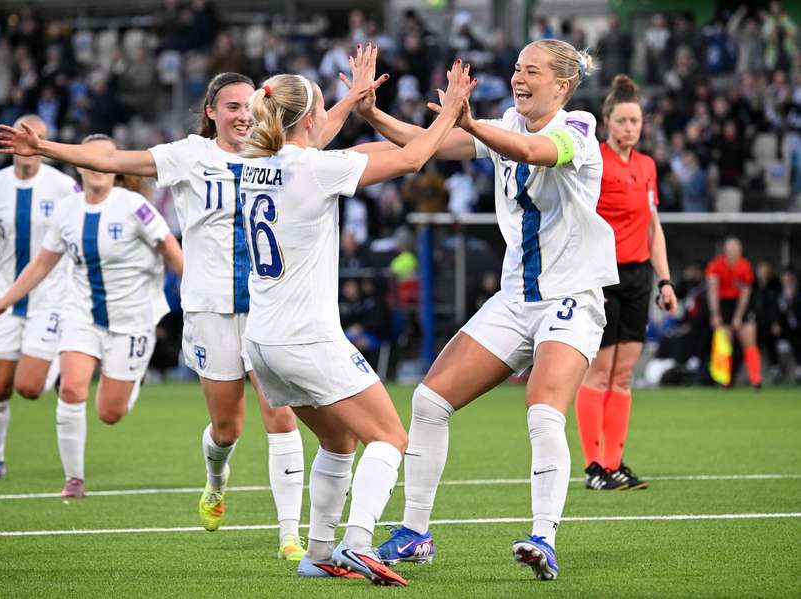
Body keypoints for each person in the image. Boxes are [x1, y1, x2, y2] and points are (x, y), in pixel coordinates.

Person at [0, 69, 359, 558]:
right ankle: (215, 479)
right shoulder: (188, 156)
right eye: (231, 106)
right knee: (227, 429)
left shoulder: (272, 155)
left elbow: (314, 131)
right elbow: (116, 159)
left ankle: (289, 534)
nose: (242, 115)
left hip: (269, 311)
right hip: (209, 311)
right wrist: (48, 149)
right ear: (210, 112)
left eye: (250, 106)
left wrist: (352, 97)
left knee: (281, 418)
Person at [355, 38, 615, 582]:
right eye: (517, 69)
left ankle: (543, 536)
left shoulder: (581, 127)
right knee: (429, 401)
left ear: (562, 86)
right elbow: (430, 145)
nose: (519, 78)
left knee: (543, 410)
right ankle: (416, 533)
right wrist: (372, 113)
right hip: (517, 298)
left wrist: (471, 124)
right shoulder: (504, 124)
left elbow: (532, 154)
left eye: (533, 72)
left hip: (571, 298)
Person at [239, 52, 475, 586]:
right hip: (306, 338)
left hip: (262, 341)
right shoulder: (317, 168)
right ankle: (358, 542)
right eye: (323, 109)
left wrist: (351, 100)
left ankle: (319, 551)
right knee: (391, 438)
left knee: (338, 441)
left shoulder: (255, 164)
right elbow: (414, 159)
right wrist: (451, 110)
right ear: (307, 121)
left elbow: (319, 138)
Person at [0, 134, 184, 498]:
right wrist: (4, 301)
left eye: (105, 158)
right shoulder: (66, 210)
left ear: (115, 166)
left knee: (110, 413)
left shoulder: (135, 206)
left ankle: (134, 379)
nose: (97, 165)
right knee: (71, 388)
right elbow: (42, 264)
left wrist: (199, 291)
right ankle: (74, 480)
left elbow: (171, 249)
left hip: (132, 320)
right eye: (89, 158)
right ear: (79, 164)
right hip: (82, 314)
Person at [0, 114, 77, 483]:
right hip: (3, 297)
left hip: (51, 298)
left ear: (45, 144)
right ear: (10, 142)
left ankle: (56, 356)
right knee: (1, 384)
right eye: (23, 134)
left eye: (37, 136)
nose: (29, 142)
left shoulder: (63, 186)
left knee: (30, 388)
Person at [574, 75, 678, 492]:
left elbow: (654, 227)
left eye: (635, 121)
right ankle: (593, 466)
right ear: (607, 122)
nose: (630, 127)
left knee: (623, 376)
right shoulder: (593, 163)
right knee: (598, 373)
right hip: (602, 275)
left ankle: (615, 463)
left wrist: (665, 280)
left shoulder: (647, 166)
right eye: (622, 120)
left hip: (638, 276)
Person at [705, 237, 762, 388]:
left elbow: (745, 293)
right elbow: (712, 291)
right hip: (723, 304)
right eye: (730, 249)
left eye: (736, 249)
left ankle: (755, 380)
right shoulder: (715, 265)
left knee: (748, 338)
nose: (733, 252)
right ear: (725, 251)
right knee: (725, 341)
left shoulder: (745, 266)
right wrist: (716, 314)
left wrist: (738, 317)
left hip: (740, 304)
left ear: (740, 251)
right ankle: (725, 380)